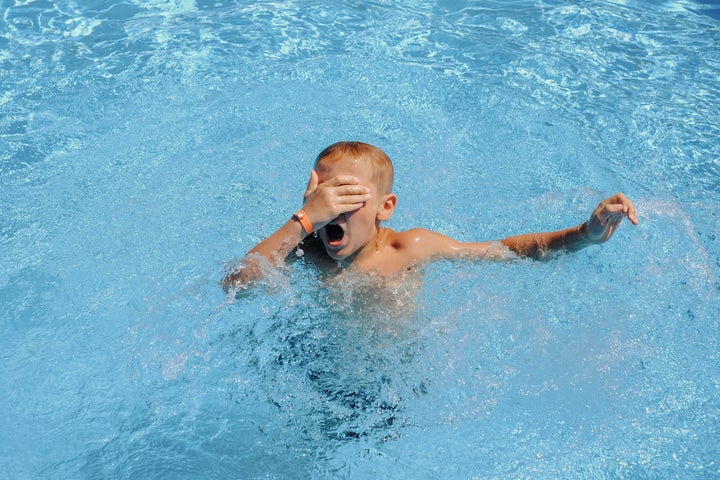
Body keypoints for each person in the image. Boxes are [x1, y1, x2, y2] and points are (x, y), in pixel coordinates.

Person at [222, 141, 638, 290]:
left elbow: (505, 251)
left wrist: (584, 233)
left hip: (388, 390)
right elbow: (236, 283)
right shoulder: (305, 247)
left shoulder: (409, 247)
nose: (334, 211)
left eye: (349, 200)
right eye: (326, 200)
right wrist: (302, 221)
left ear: (386, 208)